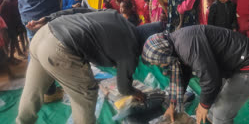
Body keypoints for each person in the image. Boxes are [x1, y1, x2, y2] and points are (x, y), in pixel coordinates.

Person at [16, 8, 164, 124]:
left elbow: (79, 10)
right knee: (86, 96)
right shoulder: (130, 50)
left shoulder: (115, 16)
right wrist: (135, 92)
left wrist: (48, 18)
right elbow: (123, 87)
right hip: (60, 47)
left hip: (44, 33)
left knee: (32, 92)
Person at [142, 25, 249, 124]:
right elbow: (182, 74)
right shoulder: (174, 43)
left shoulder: (186, 46)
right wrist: (172, 105)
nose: (161, 65)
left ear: (163, 53)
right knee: (212, 103)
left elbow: (211, 79)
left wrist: (203, 105)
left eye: (159, 62)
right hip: (237, 62)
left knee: (220, 112)